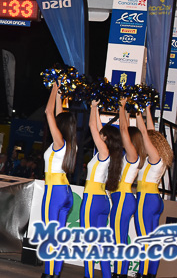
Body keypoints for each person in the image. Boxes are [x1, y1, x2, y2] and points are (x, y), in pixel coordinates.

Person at [81, 100, 122, 278]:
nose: (99, 135)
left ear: (105, 138)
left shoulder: (103, 152)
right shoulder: (111, 154)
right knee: (101, 244)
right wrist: (96, 107)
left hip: (92, 199)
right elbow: (98, 127)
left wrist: (92, 108)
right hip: (104, 200)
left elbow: (92, 126)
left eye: (102, 135)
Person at [41, 82, 77, 278]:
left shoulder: (59, 142)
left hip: (54, 190)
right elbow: (57, 112)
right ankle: (55, 273)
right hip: (66, 191)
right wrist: (60, 95)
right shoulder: (71, 145)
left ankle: (48, 274)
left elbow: (48, 112)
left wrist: (54, 88)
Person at [134, 105, 174, 278]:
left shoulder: (154, 157)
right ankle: (150, 274)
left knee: (144, 238)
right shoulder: (160, 157)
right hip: (155, 199)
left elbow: (145, 133)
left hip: (145, 199)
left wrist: (137, 110)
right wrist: (147, 110)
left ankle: (142, 274)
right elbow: (150, 132)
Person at [111, 97, 144, 278]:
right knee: (120, 238)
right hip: (123, 197)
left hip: (123, 198)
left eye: (127, 137)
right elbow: (125, 129)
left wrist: (122, 107)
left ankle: (119, 274)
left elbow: (123, 129)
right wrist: (126, 112)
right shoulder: (131, 155)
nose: (123, 138)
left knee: (119, 239)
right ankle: (120, 273)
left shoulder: (133, 155)